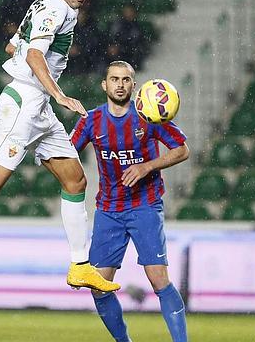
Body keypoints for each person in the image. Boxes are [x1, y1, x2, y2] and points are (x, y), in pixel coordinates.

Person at [0, 0, 119, 293]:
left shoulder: (46, 5)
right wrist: (60, 95)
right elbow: (34, 56)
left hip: (38, 107)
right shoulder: (57, 8)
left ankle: (80, 265)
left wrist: (43, 86)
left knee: (76, 181)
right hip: (25, 103)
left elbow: (14, 43)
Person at [71, 61, 190, 342]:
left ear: (134, 86)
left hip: (145, 206)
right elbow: (67, 152)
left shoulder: (148, 115)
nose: (120, 84)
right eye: (114, 79)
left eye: (126, 80)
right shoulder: (91, 120)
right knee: (99, 287)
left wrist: (147, 166)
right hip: (109, 211)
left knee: (159, 279)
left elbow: (182, 150)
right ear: (105, 84)